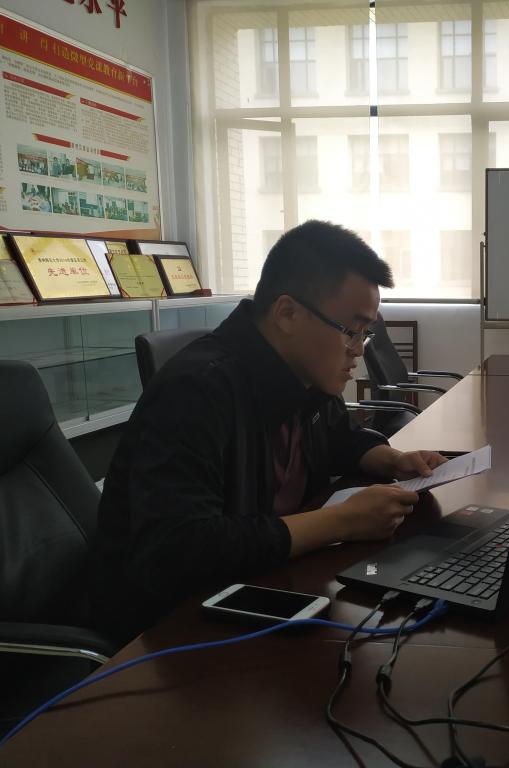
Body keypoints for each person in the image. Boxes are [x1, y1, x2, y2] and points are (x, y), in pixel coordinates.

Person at [89, 220, 446, 643]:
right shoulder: (197, 389)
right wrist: (342, 521)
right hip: (172, 630)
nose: (358, 350)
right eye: (352, 331)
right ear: (287, 313)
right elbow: (180, 547)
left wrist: (395, 460)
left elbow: (341, 438)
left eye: (366, 334)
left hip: (262, 588)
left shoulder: (305, 376)